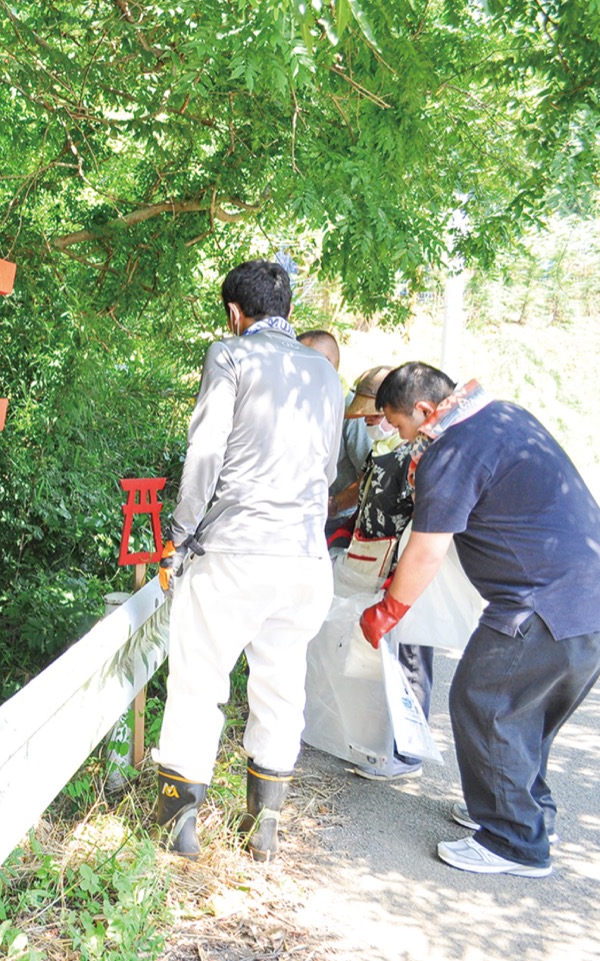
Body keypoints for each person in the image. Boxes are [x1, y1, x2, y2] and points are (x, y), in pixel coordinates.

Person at [359, 362, 600, 877]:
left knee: (483, 700)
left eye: (399, 425)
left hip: (539, 604)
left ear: (424, 411)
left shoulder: (453, 449)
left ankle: (515, 843)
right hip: (586, 602)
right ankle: (529, 815)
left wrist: (388, 610)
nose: (400, 437)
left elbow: (426, 551)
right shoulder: (504, 417)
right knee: (523, 715)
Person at [155, 260, 343, 862]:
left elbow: (205, 451)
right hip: (306, 560)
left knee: (198, 680)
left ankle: (179, 832)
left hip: (236, 551)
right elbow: (330, 469)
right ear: (287, 310)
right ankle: (262, 832)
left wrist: (180, 534)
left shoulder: (230, 355)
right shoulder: (327, 374)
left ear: (236, 313)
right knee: (282, 684)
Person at [336, 365, 434, 781]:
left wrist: (402, 582)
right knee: (381, 658)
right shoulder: (383, 451)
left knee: (409, 656)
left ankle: (406, 754)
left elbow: (425, 525)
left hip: (404, 569)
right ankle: (382, 743)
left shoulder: (421, 455)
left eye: (383, 419)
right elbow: (361, 489)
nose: (375, 425)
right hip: (372, 560)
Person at [297, 329, 371, 544]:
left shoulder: (349, 409)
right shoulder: (295, 402)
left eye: (304, 362)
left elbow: (369, 474)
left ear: (327, 365)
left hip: (336, 523)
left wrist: (335, 504)